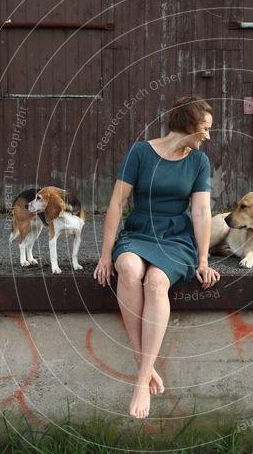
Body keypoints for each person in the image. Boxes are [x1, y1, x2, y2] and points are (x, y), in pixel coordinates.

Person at [93, 95, 220, 418]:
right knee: (128, 267)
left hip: (176, 239)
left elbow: (202, 212)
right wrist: (105, 255)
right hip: (138, 232)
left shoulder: (198, 162)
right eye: (204, 128)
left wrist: (203, 260)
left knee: (156, 282)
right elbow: (117, 204)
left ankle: (140, 381)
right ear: (188, 125)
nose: (207, 135)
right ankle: (144, 365)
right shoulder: (140, 153)